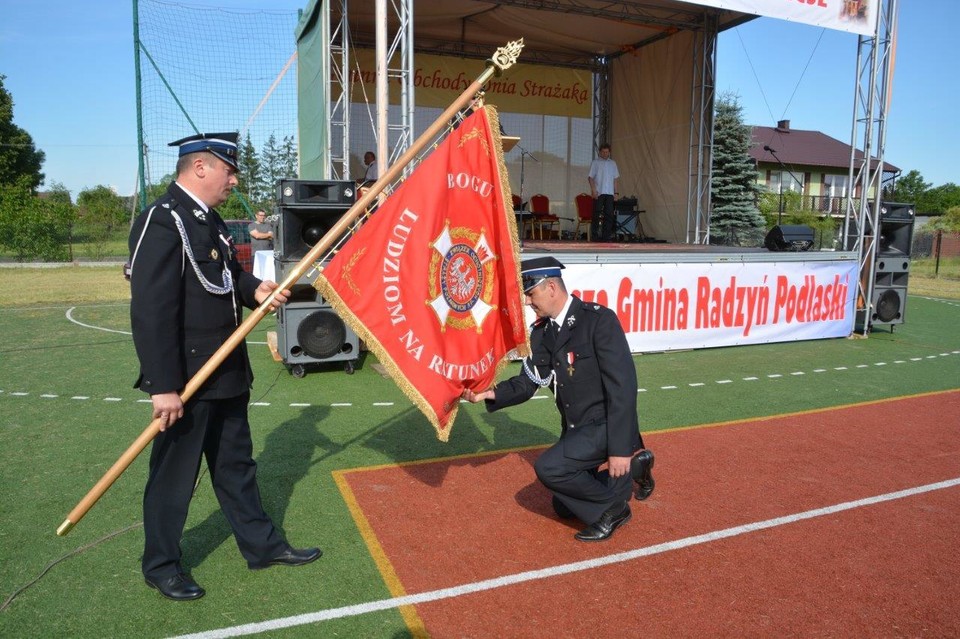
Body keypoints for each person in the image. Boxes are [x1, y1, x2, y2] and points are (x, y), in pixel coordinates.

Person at [127, 131, 320, 601]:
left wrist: (254, 288)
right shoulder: (162, 219)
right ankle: (161, 565)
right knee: (174, 477)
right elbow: (151, 310)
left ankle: (262, 546)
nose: (233, 179)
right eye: (228, 170)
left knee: (237, 467)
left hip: (227, 370)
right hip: (187, 379)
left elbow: (226, 274)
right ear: (200, 167)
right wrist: (164, 386)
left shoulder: (209, 220)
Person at [462, 257, 655, 542]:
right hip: (577, 430)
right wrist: (489, 393)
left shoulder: (598, 320)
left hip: (605, 427)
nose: (528, 302)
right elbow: (529, 382)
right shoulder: (542, 333)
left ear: (551, 287)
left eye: (531, 293)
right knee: (562, 506)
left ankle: (615, 510)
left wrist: (619, 449)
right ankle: (635, 471)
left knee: (549, 468)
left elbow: (623, 388)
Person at [587, 143, 620, 242]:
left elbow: (615, 179)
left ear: (609, 152)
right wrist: (593, 190)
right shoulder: (595, 162)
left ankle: (606, 236)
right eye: (603, 152)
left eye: (607, 152)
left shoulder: (613, 163)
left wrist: (616, 193)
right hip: (599, 192)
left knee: (609, 215)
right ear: (600, 152)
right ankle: (595, 236)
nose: (605, 154)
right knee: (596, 214)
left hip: (609, 193)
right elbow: (590, 178)